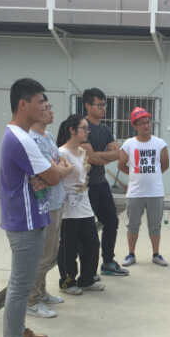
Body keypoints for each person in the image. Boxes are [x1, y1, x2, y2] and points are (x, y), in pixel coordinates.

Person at [0, 79, 71, 337]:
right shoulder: (22, 139)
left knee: (22, 283)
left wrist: (50, 173)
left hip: (31, 217)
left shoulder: (23, 137)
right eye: (40, 102)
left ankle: (18, 331)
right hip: (25, 222)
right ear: (23, 104)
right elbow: (53, 176)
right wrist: (52, 172)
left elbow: (51, 174)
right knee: (20, 287)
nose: (44, 107)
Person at [26, 94, 71, 318]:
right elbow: (55, 172)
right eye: (45, 108)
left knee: (52, 254)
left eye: (50, 106)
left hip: (57, 202)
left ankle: (42, 292)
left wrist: (60, 168)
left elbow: (62, 166)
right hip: (45, 205)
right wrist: (60, 169)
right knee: (43, 256)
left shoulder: (49, 136)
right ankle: (32, 301)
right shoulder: (33, 140)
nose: (51, 111)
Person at [81, 88, 128, 276]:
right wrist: (104, 156)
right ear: (87, 105)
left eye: (104, 105)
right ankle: (87, 271)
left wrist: (100, 157)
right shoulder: (83, 127)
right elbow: (90, 158)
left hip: (102, 183)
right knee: (87, 229)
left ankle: (108, 262)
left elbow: (118, 154)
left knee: (112, 221)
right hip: (86, 185)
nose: (103, 108)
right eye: (99, 105)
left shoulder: (105, 129)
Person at [56, 114, 105, 292]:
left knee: (92, 243)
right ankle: (67, 281)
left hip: (84, 202)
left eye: (87, 129)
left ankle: (87, 279)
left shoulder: (82, 152)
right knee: (69, 246)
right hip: (68, 204)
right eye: (84, 128)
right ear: (72, 130)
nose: (87, 132)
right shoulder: (62, 153)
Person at [117, 107, 170, 267]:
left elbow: (165, 164)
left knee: (155, 225)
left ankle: (156, 254)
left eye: (148, 122)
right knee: (133, 225)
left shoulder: (160, 143)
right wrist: (135, 175)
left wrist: (153, 176)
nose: (146, 126)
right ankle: (131, 254)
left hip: (155, 192)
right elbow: (121, 165)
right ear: (134, 125)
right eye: (142, 123)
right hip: (135, 192)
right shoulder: (129, 144)